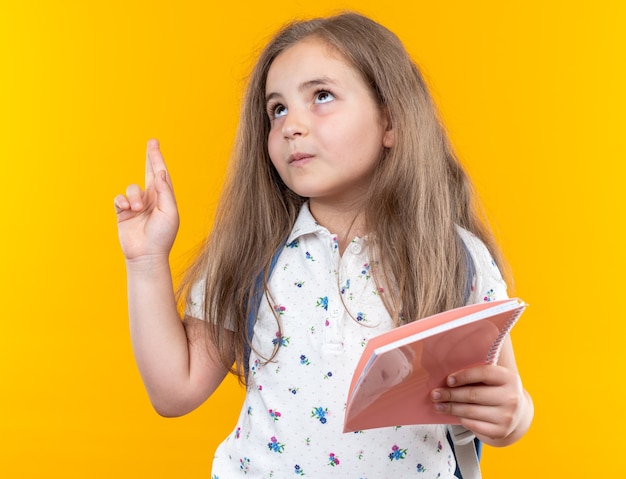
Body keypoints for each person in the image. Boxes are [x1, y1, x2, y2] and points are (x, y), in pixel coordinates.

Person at [114, 12, 533, 478]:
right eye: (277, 109)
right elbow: (174, 391)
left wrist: (513, 417)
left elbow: (503, 401)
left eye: (321, 97)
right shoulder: (254, 251)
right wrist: (147, 260)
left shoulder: (455, 257)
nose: (292, 124)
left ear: (390, 121)